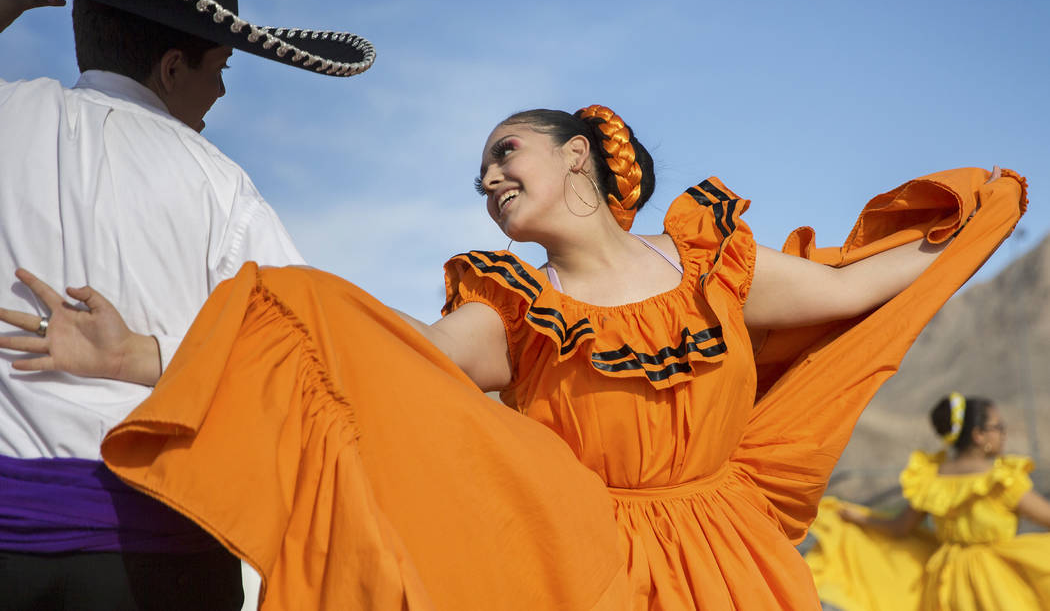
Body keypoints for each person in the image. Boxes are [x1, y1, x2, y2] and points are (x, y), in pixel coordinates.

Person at [5, 105, 1026, 610]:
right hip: (586, 569)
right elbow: (355, 367)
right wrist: (142, 352)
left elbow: (852, 289)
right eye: (482, 166)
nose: (488, 176)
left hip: (732, 557)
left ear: (577, 156)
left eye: (507, 153)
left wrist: (971, 225)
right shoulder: (513, 312)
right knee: (312, 302)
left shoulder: (716, 265)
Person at [0, 0, 374, 611]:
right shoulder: (222, 187)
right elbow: (305, 369)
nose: (224, 93)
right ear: (174, 66)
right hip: (156, 563)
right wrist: (151, 358)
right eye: (220, 67)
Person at [806, 394, 1050, 611]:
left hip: (947, 580)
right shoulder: (1001, 480)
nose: (1003, 433)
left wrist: (856, 518)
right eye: (999, 427)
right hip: (996, 581)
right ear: (978, 435)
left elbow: (899, 527)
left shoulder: (934, 478)